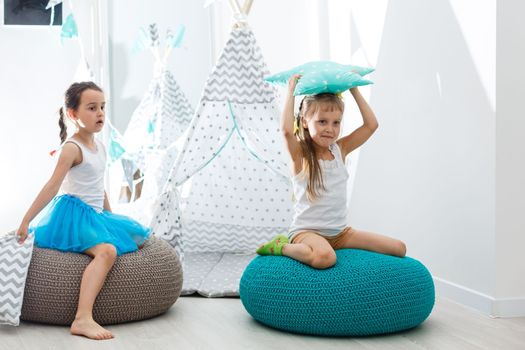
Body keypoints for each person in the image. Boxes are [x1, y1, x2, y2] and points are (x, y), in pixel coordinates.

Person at [16, 81, 150, 340]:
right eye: (91, 108)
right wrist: (25, 220)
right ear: (73, 115)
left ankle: (84, 316)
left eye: (102, 107)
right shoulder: (71, 148)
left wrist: (109, 217)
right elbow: (52, 187)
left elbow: (98, 187)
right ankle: (82, 318)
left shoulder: (100, 146)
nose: (100, 113)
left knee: (129, 239)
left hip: (93, 213)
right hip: (72, 215)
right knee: (107, 251)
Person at [257, 74, 406, 268]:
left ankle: (319, 247)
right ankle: (281, 246)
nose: (330, 128)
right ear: (304, 121)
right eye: (322, 121)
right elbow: (286, 131)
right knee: (326, 258)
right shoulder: (300, 155)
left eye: (336, 122)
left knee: (399, 248)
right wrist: (291, 91)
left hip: (340, 234)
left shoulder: (340, 150)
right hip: (307, 232)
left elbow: (371, 125)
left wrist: (354, 89)